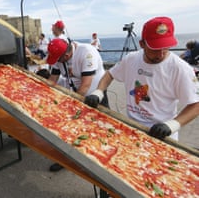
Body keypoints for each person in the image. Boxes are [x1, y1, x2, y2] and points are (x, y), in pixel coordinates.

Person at [85, 16, 199, 141]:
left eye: (165, 47)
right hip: (132, 127)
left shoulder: (181, 68)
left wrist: (173, 124)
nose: (161, 54)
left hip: (162, 133)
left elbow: (195, 105)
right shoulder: (131, 59)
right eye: (155, 48)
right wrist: (99, 92)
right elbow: (110, 74)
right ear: (142, 44)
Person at [46, 38, 109, 172]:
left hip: (94, 94)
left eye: (58, 59)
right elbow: (52, 79)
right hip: (73, 93)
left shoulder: (87, 53)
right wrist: (46, 96)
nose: (56, 62)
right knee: (69, 128)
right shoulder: (60, 57)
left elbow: (85, 85)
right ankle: (67, 158)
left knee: (101, 128)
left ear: (67, 55)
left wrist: (74, 107)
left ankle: (102, 161)